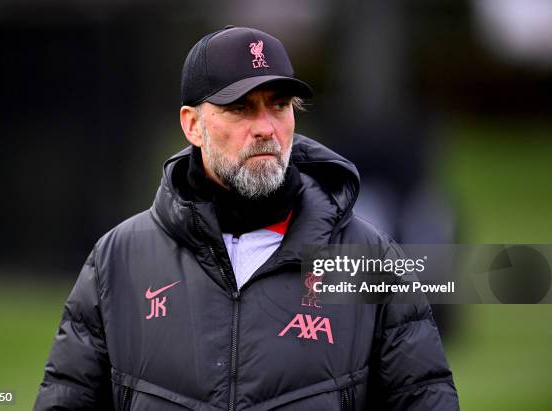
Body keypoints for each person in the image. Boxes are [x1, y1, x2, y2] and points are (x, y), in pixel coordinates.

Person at [34, 25, 459, 410]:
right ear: (193, 126)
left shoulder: (371, 258)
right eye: (240, 108)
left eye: (278, 105)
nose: (265, 128)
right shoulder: (117, 261)